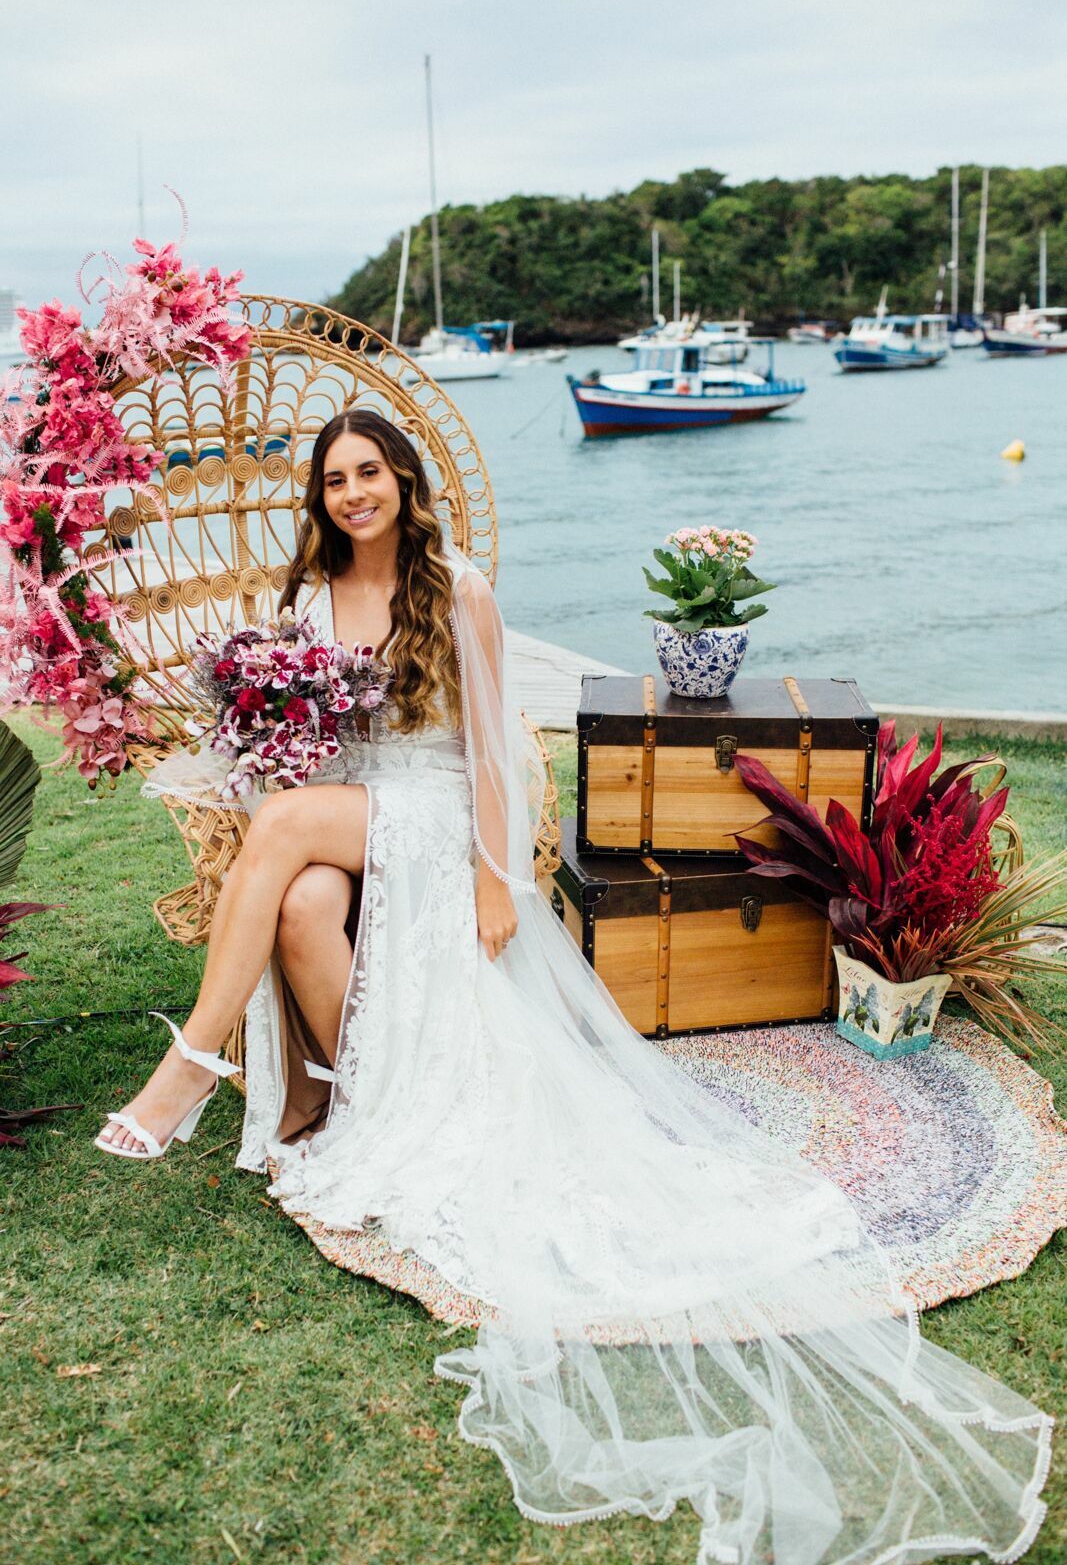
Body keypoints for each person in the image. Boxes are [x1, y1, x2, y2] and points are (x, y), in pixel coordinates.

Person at [94, 410, 1052, 1565]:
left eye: (368, 473)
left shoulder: (460, 594)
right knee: (296, 891)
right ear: (321, 496)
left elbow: (496, 748)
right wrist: (269, 746)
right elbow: (310, 755)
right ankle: (338, 1081)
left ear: (401, 479)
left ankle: (186, 1069)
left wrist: (499, 880)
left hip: (442, 814)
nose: (352, 494)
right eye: (333, 480)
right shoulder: (304, 603)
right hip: (349, 811)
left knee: (295, 833)